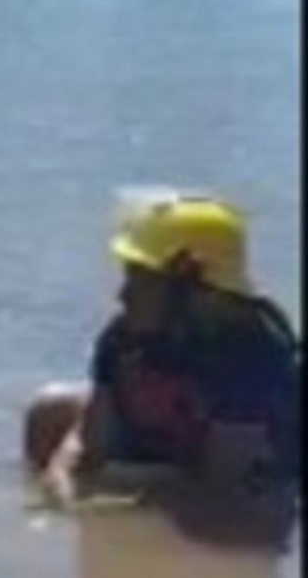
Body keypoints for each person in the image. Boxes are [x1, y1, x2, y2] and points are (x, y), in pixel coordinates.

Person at [23, 191, 301, 514]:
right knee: (48, 410)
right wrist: (59, 484)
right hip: (162, 445)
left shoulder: (252, 355)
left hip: (244, 464)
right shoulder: (125, 336)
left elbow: (226, 484)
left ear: (194, 289)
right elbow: (86, 443)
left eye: (139, 282)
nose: (122, 295)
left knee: (238, 525)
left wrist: (129, 505)